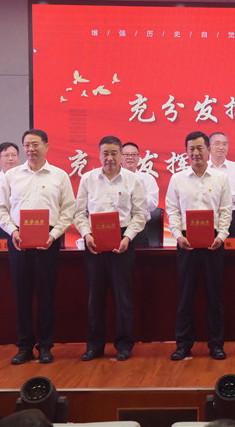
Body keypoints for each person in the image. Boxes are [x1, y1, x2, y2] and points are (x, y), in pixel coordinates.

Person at [0, 129, 76, 365]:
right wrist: (13, 231)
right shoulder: (11, 176)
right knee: (22, 295)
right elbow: (0, 208)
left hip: (48, 240)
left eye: (35, 144)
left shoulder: (59, 176)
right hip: (19, 240)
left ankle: (46, 346)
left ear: (47, 146)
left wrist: (54, 234)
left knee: (46, 295)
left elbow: (68, 209)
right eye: (27, 145)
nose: (31, 149)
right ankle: (24, 347)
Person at [74, 135, 147, 361]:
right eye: (105, 153)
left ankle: (124, 345)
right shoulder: (88, 179)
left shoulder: (133, 180)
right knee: (95, 298)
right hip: (95, 244)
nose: (110, 158)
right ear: (99, 155)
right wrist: (86, 234)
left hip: (123, 242)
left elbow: (140, 214)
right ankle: (94, 346)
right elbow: (79, 213)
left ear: (121, 155)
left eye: (114, 153)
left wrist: (127, 237)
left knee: (123, 297)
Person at [166, 131, 232, 361]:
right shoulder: (177, 179)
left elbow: (225, 211)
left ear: (209, 150)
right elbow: (172, 210)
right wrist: (177, 235)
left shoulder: (221, 179)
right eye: (191, 149)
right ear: (186, 152)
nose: (195, 153)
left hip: (214, 242)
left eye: (200, 148)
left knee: (215, 296)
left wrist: (221, 236)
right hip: (187, 243)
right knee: (185, 296)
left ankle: (216, 344)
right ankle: (183, 344)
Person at [209, 132, 235, 238]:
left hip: (230, 216)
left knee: (231, 248)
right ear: (209, 147)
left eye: (224, 144)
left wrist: (223, 195)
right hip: (208, 217)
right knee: (207, 247)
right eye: (217, 144)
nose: (221, 147)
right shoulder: (202, 168)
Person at [121, 142, 159, 247]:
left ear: (138, 158)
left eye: (134, 154)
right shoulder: (115, 180)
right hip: (120, 227)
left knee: (140, 257)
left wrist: (136, 196)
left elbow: (153, 204)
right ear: (120, 157)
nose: (130, 157)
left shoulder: (148, 179)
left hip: (139, 229)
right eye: (126, 154)